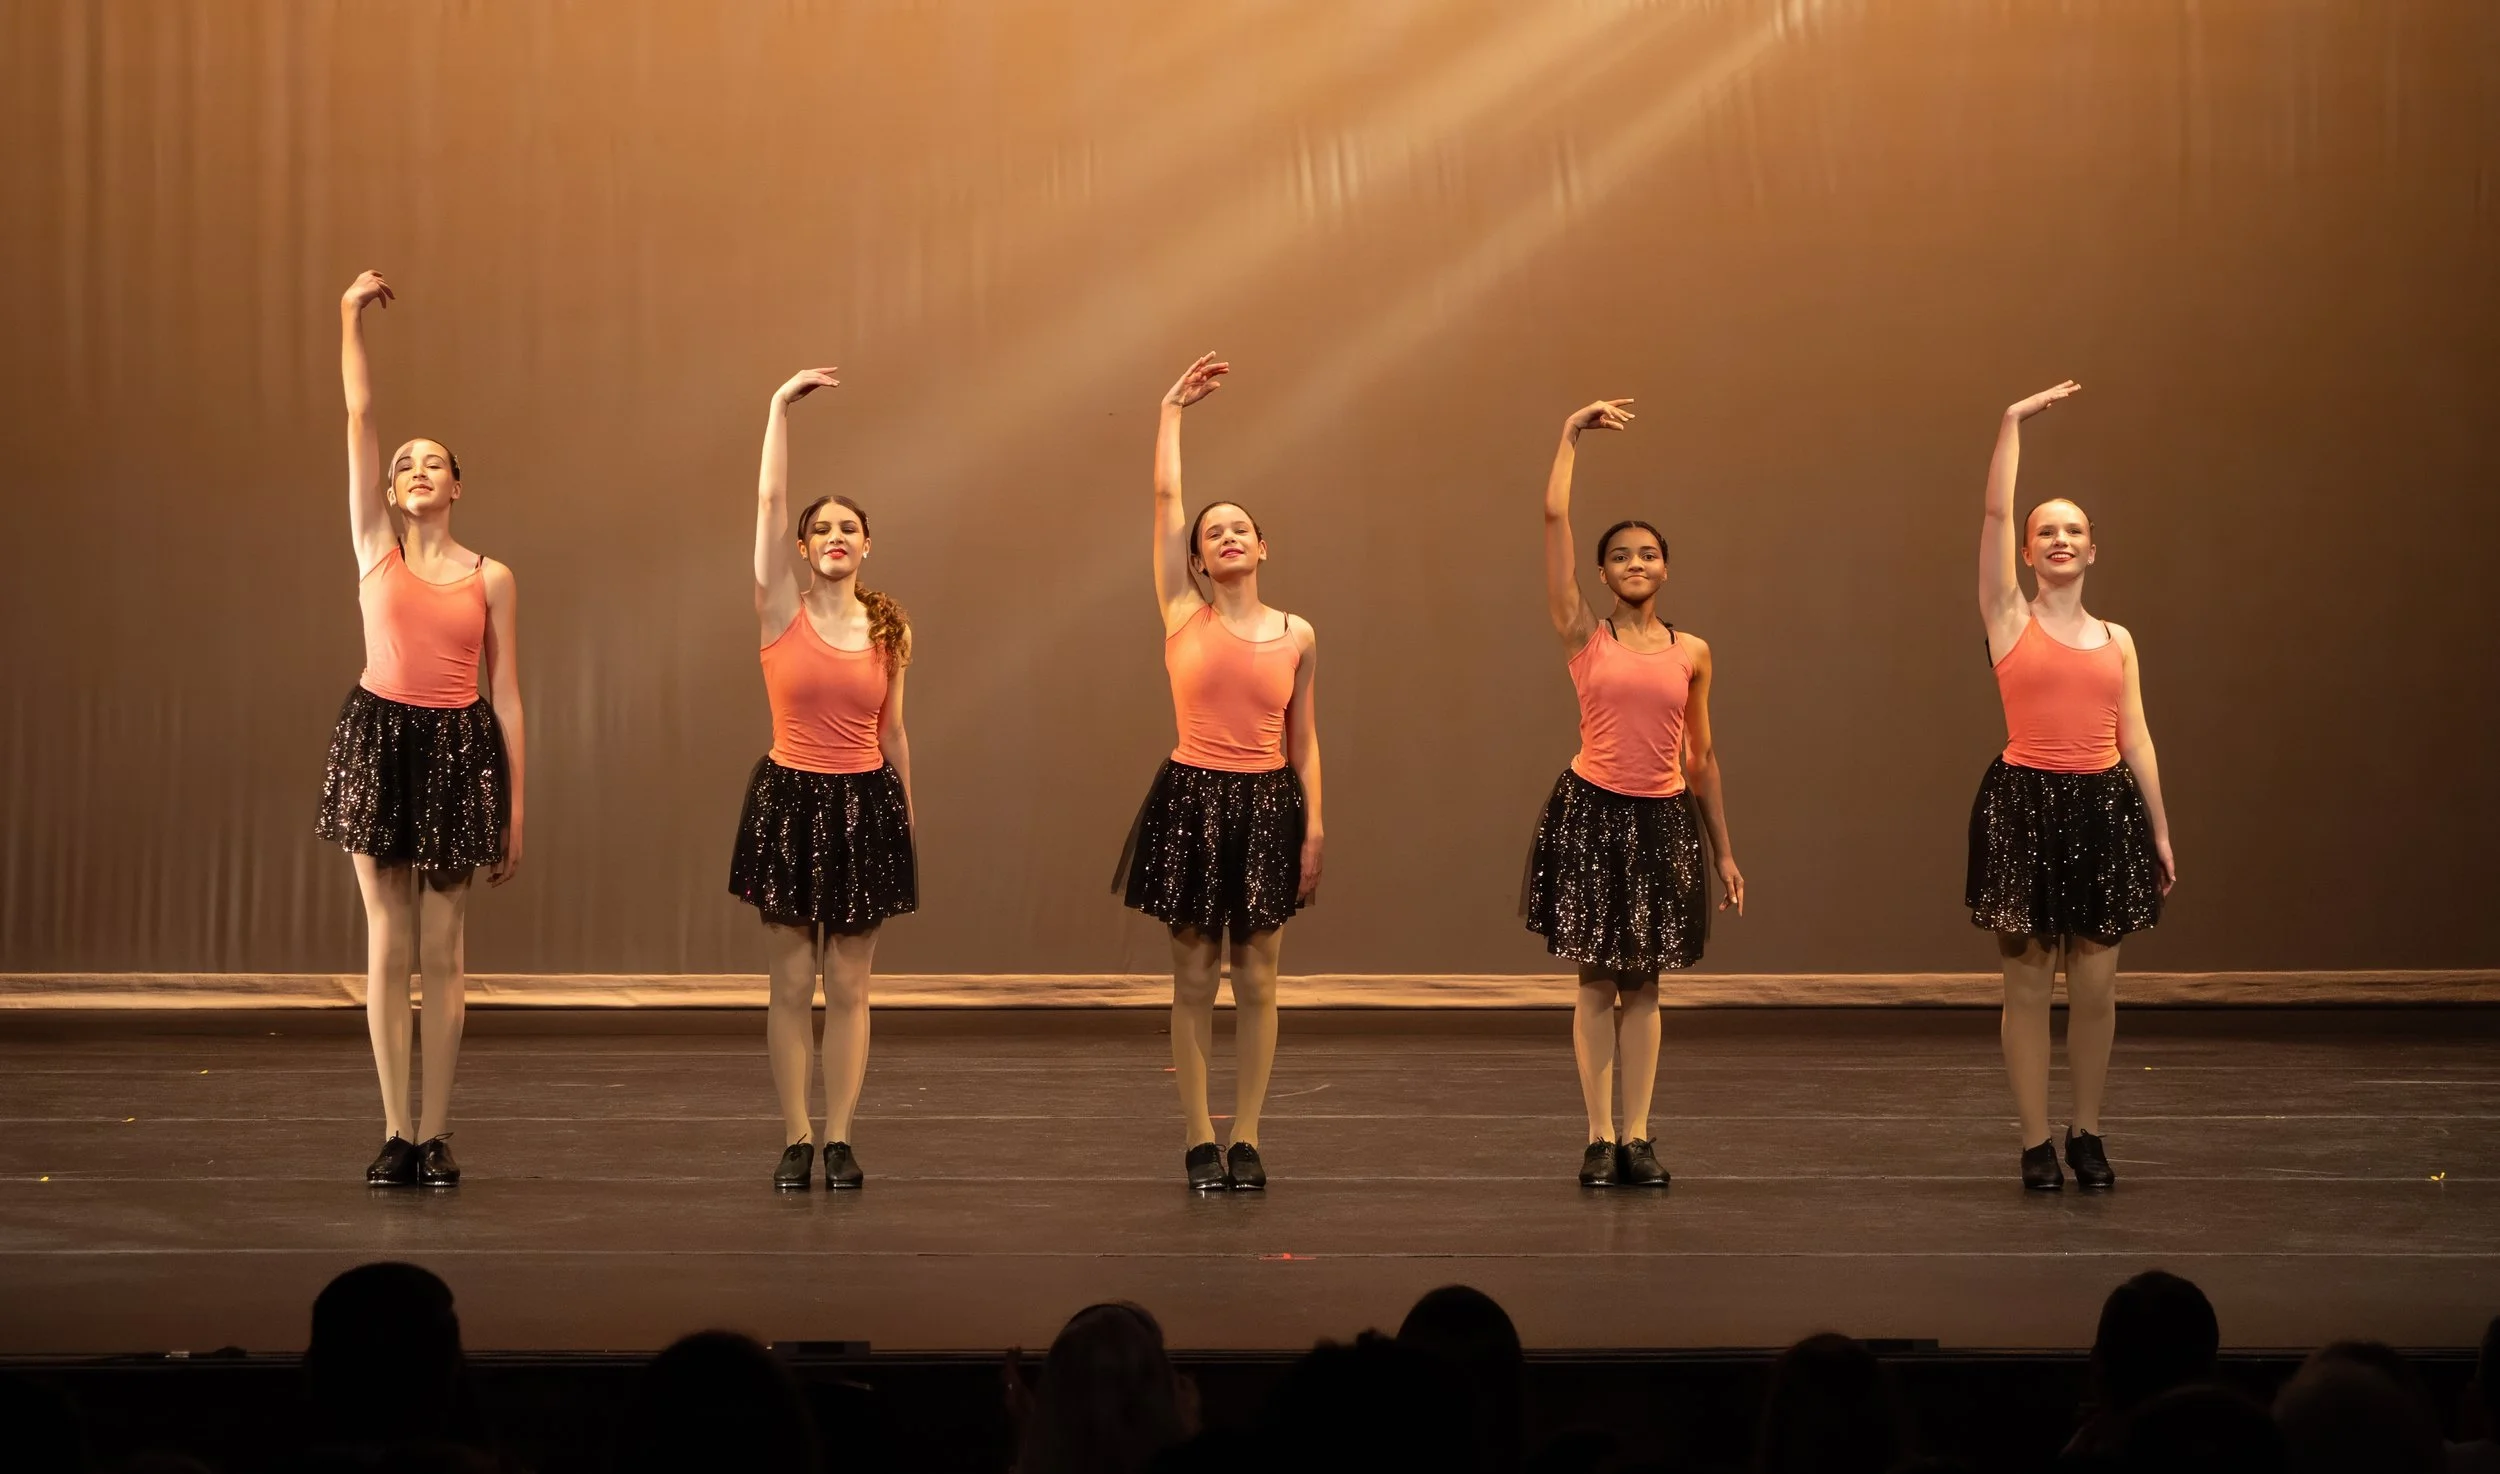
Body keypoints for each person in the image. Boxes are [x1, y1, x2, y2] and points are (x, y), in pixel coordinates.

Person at [317, 272, 523, 1189]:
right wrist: (348, 314)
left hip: (456, 747)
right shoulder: (375, 548)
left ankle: (436, 1133)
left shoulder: (491, 578)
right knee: (385, 944)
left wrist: (515, 807)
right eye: (404, 466)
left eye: (430, 462)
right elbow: (360, 417)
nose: (412, 472)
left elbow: (508, 693)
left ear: (457, 485)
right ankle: (394, 1131)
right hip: (379, 739)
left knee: (444, 951)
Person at [1524, 398, 1743, 1188]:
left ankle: (1638, 1136)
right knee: (1595, 977)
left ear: (1666, 566)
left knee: (1645, 980)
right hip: (1592, 814)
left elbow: (1703, 754)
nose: (1636, 564)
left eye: (1648, 554)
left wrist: (1723, 850)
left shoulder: (1693, 651)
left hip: (1663, 818)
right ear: (1603, 573)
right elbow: (1553, 520)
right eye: (1620, 556)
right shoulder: (1586, 633)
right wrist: (1568, 434)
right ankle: (1596, 1135)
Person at [1116, 352, 1322, 1192]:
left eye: (1240, 527)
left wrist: (1313, 824)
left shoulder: (1298, 632)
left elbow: (1305, 739)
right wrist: (1171, 411)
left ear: (1263, 545)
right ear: (1198, 560)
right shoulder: (1181, 613)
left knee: (1261, 977)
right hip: (1194, 798)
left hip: (1270, 801)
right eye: (1213, 534)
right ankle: (1199, 1135)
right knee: (1195, 974)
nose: (1226, 536)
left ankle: (1248, 1134)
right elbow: (1167, 504)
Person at [1968, 382, 2174, 1190]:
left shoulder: (2117, 638)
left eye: (2073, 530)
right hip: (2025, 808)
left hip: (2104, 808)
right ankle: (2033, 1143)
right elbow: (1990, 516)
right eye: (2045, 530)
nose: (2059, 539)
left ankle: (2086, 1133)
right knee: (2026, 988)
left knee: (2094, 990)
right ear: (2026, 552)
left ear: (2094, 550)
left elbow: (2137, 736)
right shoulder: (2007, 617)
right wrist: (2010, 422)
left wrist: (2158, 829)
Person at [731, 368, 918, 1190]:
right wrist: (776, 409)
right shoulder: (781, 611)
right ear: (804, 549)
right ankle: (797, 1136)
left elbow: (893, 731)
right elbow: (769, 508)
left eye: (849, 526)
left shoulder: (889, 626)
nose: (834, 534)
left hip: (866, 802)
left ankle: (840, 1136)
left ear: (866, 544)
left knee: (849, 982)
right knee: (792, 980)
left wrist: (905, 821)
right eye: (822, 527)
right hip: (791, 798)